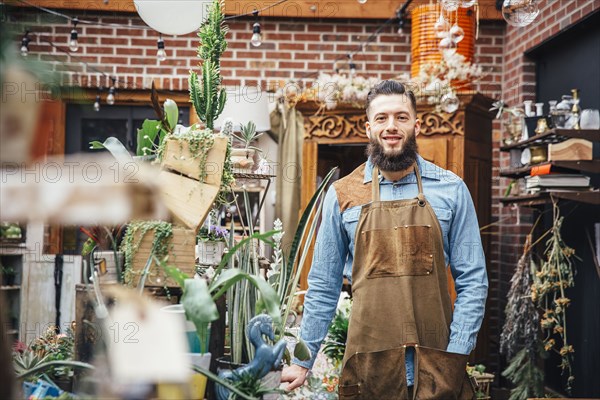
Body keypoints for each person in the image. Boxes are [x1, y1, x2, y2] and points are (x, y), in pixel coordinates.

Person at [281, 80, 488, 399]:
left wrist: (457, 353)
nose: (392, 126)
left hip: (437, 366)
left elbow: (473, 280)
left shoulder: (451, 189)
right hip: (368, 369)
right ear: (368, 127)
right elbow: (323, 284)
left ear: (416, 125)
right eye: (382, 118)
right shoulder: (343, 195)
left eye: (401, 117)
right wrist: (302, 361)